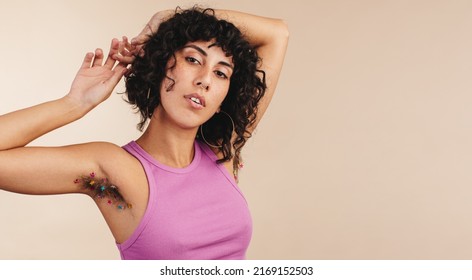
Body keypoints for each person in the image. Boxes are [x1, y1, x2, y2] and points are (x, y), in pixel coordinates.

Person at [0, 6, 288, 259]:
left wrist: (167, 17)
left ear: (225, 96)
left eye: (221, 73)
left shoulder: (223, 152)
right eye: (192, 60)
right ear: (161, 65)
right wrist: (75, 104)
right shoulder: (114, 170)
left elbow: (277, 34)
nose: (205, 81)